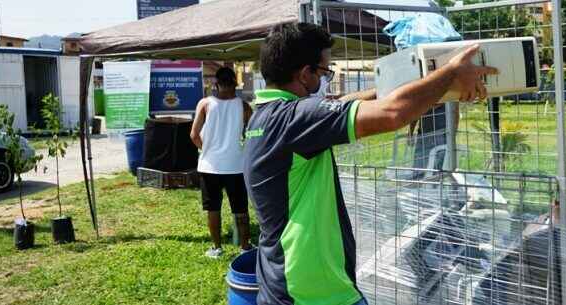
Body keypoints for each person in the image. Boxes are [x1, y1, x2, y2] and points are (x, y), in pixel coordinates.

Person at [243, 22, 497, 305]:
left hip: (283, 280)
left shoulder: (266, 116)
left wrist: (416, 87)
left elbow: (339, 102)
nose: (326, 79)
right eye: (325, 71)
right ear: (305, 74)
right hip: (313, 292)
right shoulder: (296, 119)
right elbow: (392, 114)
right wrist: (450, 74)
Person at [190, 67, 253, 258]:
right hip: (236, 165)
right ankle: (245, 248)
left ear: (215, 84)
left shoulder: (205, 104)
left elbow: (193, 135)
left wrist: (206, 149)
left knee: (213, 208)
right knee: (241, 209)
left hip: (210, 165)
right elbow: (251, 136)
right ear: (235, 83)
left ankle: (217, 248)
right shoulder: (244, 106)